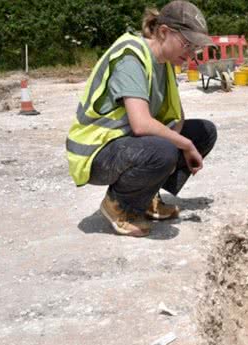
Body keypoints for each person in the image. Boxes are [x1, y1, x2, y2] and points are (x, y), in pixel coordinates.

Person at [65, 1, 217, 237]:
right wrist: (183, 145)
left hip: (128, 144)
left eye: (195, 47)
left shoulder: (163, 63)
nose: (191, 54)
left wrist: (184, 141)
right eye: (187, 44)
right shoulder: (132, 56)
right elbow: (141, 123)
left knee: (203, 133)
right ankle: (119, 206)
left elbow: (175, 116)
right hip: (96, 152)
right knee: (166, 149)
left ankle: (146, 198)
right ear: (164, 32)